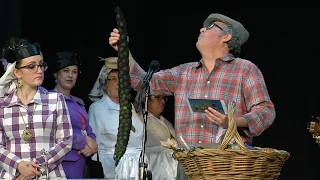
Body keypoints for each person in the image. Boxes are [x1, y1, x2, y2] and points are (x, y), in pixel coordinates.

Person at [109, 13, 275, 151]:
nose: (202, 29)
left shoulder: (244, 69)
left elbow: (266, 111)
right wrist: (124, 50)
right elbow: (143, 82)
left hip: (226, 163)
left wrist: (232, 122)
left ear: (226, 37)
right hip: (189, 162)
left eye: (210, 27)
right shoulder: (184, 72)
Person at [0, 37, 73, 179]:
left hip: (49, 175)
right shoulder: (3, 104)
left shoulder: (55, 99)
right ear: (16, 72)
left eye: (41, 65)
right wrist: (19, 165)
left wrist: (35, 167)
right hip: (13, 176)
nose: (39, 70)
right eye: (31, 66)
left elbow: (66, 141)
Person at [88, 57, 146, 180]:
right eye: (114, 79)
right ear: (105, 82)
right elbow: (94, 144)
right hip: (111, 169)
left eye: (122, 79)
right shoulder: (97, 108)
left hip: (137, 168)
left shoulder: (130, 107)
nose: (119, 83)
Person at [51, 51, 97, 179]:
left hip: (81, 162)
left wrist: (93, 144)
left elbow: (87, 130)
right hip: (61, 163)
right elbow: (53, 131)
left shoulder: (79, 102)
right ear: (56, 74)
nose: (70, 75)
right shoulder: (49, 100)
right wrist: (84, 141)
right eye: (66, 71)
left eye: (74, 71)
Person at [140, 93, 178, 179]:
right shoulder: (140, 119)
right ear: (146, 99)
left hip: (171, 170)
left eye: (164, 98)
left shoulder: (166, 122)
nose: (163, 101)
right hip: (154, 170)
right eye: (157, 97)